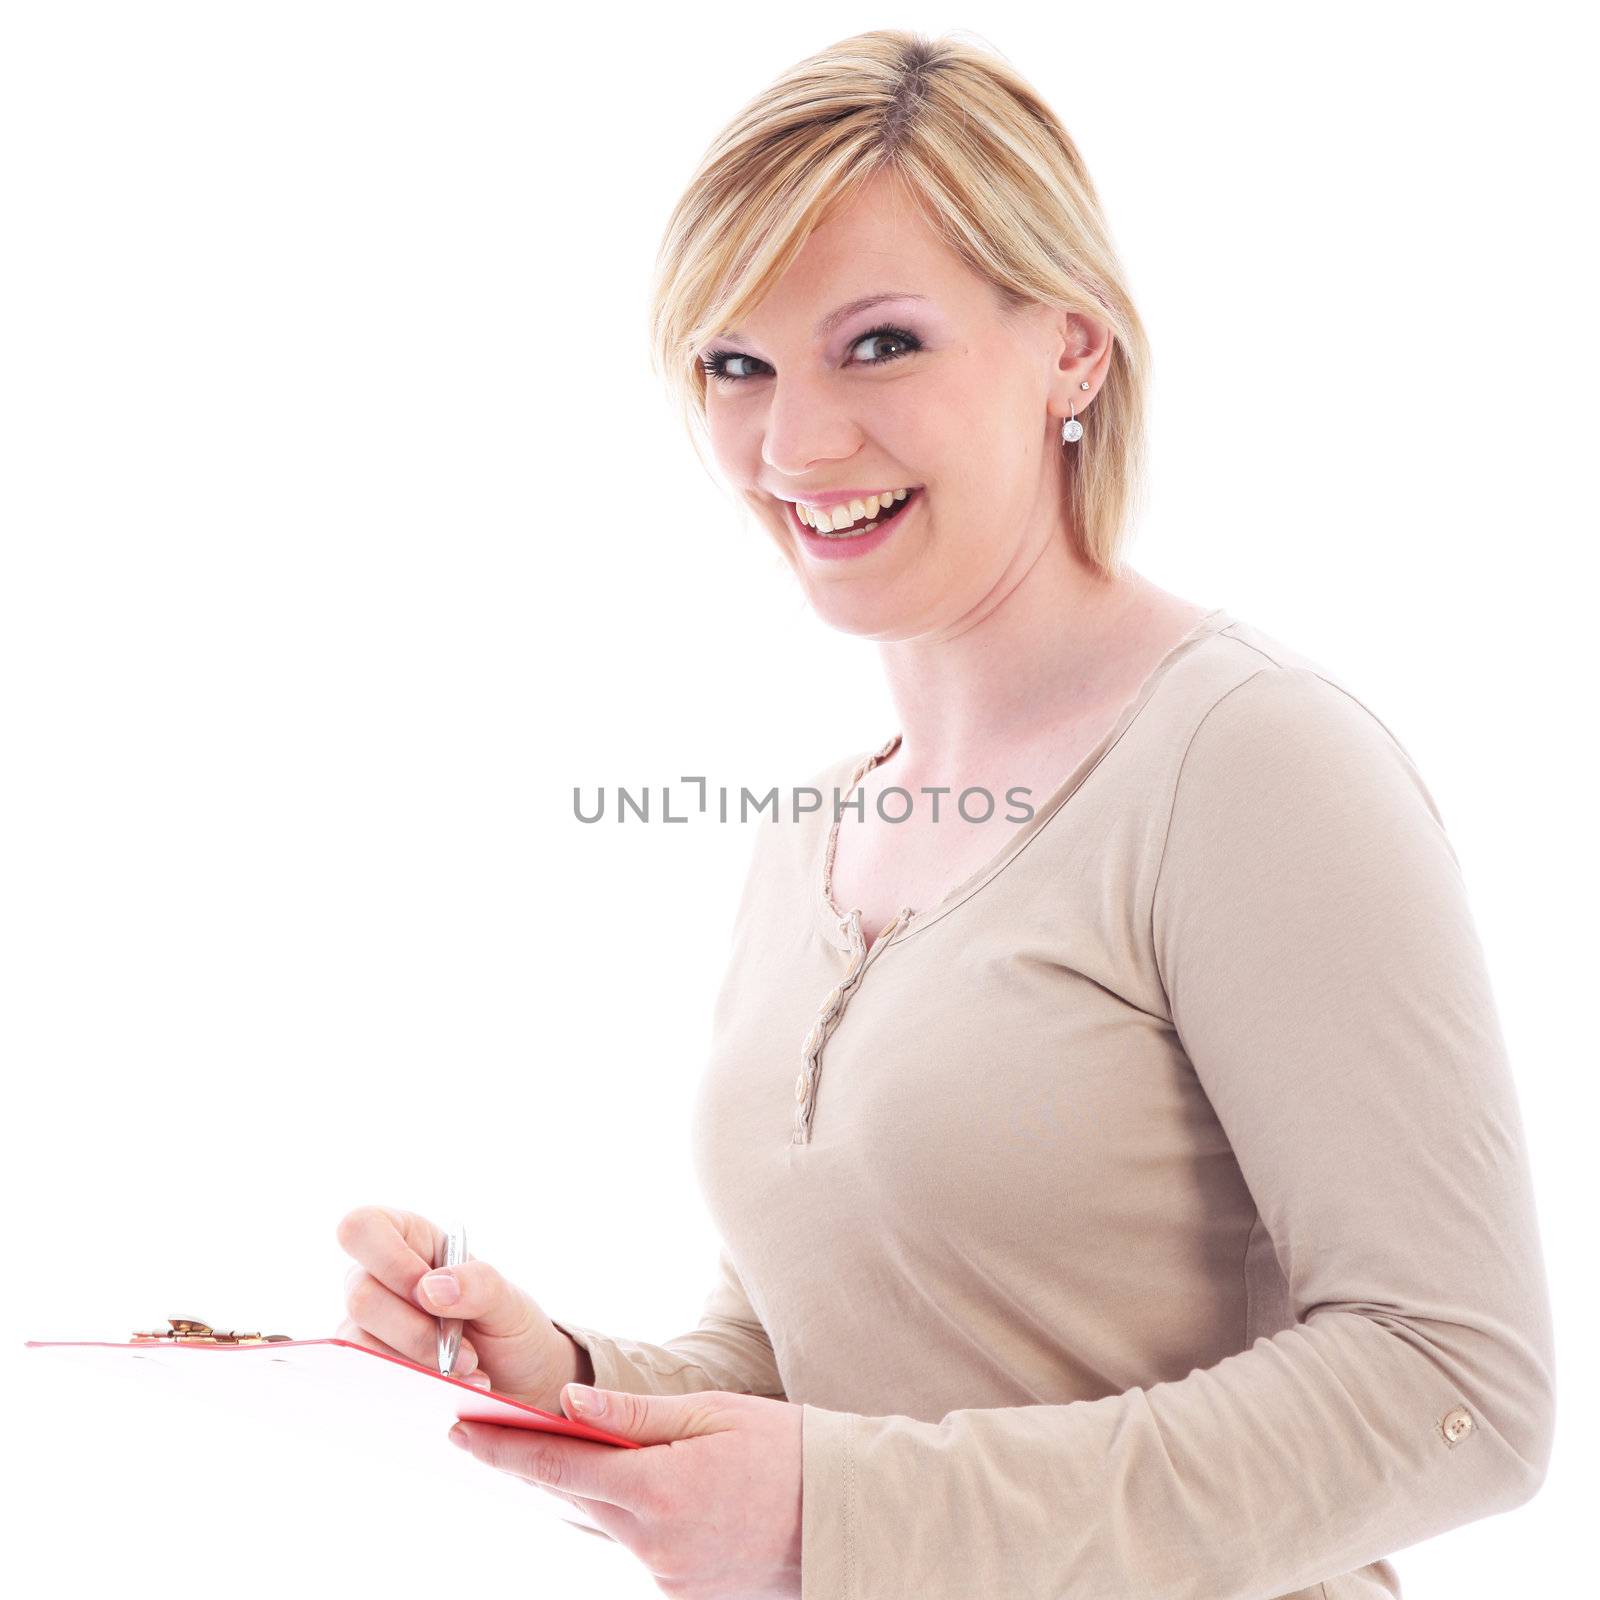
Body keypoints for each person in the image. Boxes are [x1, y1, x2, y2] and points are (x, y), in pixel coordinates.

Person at [336, 28, 1555, 1599]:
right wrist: (563, 1374)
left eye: (882, 344)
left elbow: (1457, 1393)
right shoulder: (809, 833)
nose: (794, 445)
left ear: (1074, 349)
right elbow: (825, 1357)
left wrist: (842, 1514)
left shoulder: (1251, 765)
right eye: (735, 364)